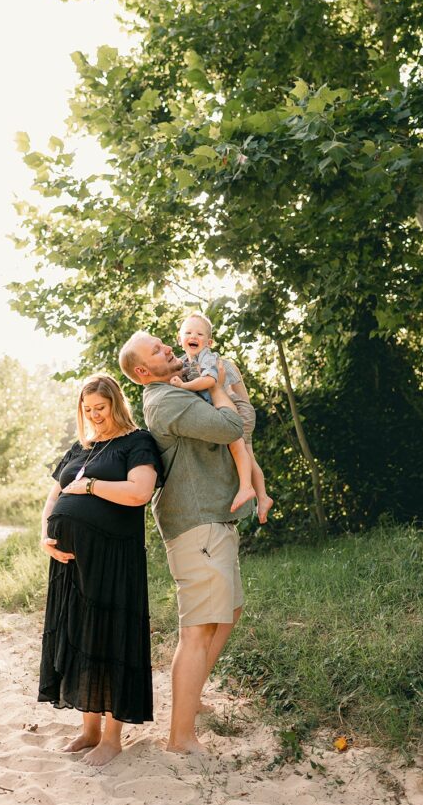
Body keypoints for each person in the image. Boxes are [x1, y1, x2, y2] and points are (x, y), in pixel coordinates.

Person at [119, 331, 268, 754]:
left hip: (213, 517)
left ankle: (192, 698)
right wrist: (221, 386)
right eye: (157, 350)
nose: (169, 347)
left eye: (165, 342)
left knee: (229, 612)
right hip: (195, 521)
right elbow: (233, 426)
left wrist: (219, 390)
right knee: (198, 628)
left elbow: (240, 426)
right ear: (144, 371)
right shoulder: (168, 401)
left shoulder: (180, 390)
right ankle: (180, 738)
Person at [38, 373, 163, 766]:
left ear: (116, 404)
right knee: (80, 638)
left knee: (110, 641)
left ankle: (111, 738)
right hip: (71, 563)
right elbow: (55, 493)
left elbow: (139, 492)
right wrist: (46, 535)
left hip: (113, 559)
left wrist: (91, 486)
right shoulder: (81, 446)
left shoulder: (136, 443)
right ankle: (88, 730)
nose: (94, 416)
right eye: (87, 410)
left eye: (101, 409)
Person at [171, 312, 273, 521]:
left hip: (237, 408)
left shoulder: (208, 359)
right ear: (179, 340)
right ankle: (263, 498)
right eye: (188, 332)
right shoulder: (183, 363)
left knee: (239, 449)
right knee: (248, 455)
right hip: (231, 409)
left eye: (199, 334)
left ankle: (248, 489)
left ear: (208, 342)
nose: (193, 336)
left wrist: (183, 386)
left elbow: (209, 382)